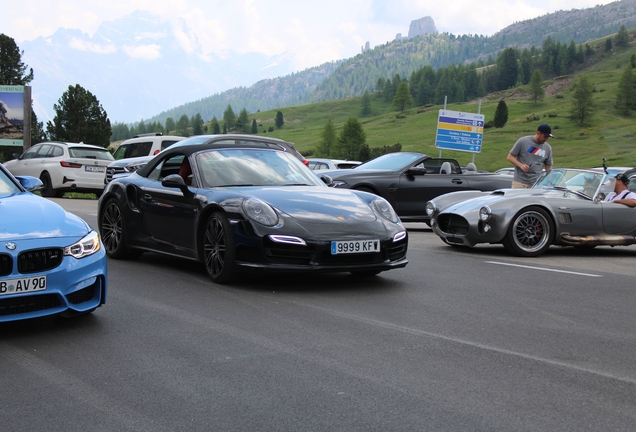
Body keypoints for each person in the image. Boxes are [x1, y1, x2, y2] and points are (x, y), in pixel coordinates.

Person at [507, 124, 554, 188]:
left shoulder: (547, 148)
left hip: (536, 184)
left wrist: (549, 182)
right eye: (544, 136)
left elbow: (548, 166)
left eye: (547, 137)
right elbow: (510, 157)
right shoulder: (523, 141)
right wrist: (521, 165)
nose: (546, 139)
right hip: (520, 183)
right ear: (538, 133)